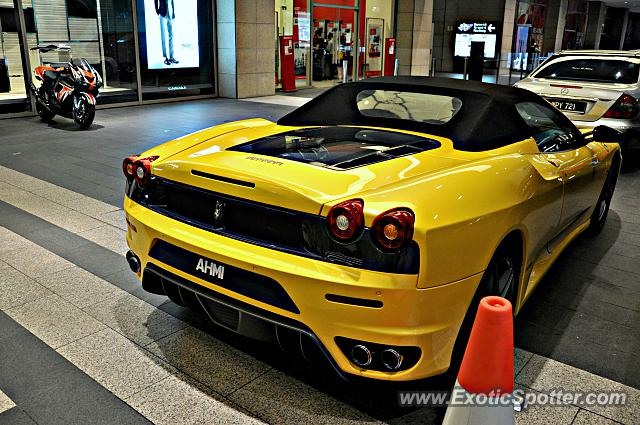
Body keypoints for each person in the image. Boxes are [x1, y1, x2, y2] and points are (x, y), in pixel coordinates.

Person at [155, 0, 178, 65]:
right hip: (163, 14)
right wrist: (157, 11)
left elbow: (172, 1)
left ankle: (172, 57)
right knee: (164, 36)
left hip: (170, 14)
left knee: (171, 36)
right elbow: (155, 1)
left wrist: (173, 13)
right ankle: (165, 58)